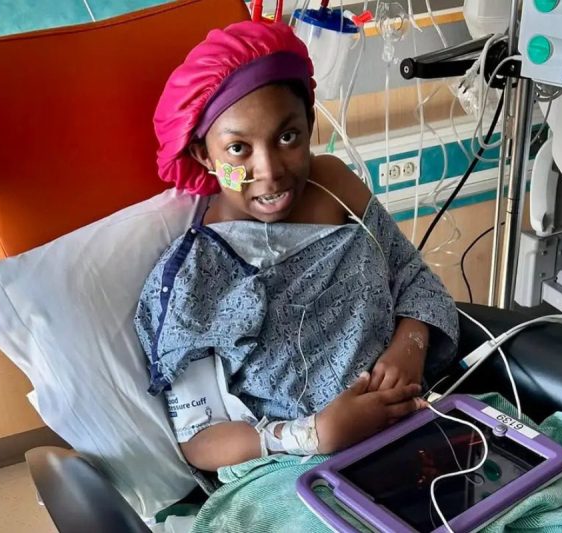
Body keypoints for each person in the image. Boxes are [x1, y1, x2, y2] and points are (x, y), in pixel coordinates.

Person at [134, 20, 458, 483]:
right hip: (298, 473)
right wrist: (313, 435)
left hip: (416, 425)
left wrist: (410, 346)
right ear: (204, 155)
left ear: (310, 125)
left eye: (288, 137)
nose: (270, 171)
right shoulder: (192, 279)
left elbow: (412, 277)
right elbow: (199, 438)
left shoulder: (335, 186)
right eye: (238, 149)